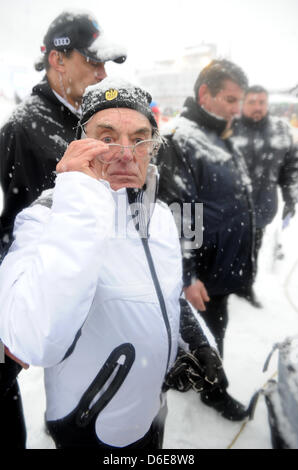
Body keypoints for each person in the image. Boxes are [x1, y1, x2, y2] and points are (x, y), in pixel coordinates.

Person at [0, 78, 227, 449]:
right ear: (78, 143)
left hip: (150, 414)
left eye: (140, 139)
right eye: (107, 138)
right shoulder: (49, 218)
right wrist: (80, 198)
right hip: (88, 422)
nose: (126, 152)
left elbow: (167, 294)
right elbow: (31, 338)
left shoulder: (162, 217)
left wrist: (196, 342)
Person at [0, 10, 126, 449]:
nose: (102, 73)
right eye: (93, 62)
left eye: (105, 64)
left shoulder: (88, 119)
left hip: (96, 303)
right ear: (58, 60)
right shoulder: (23, 129)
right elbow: (13, 230)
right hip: (48, 316)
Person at [156, 59, 254, 421]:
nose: (236, 109)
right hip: (204, 269)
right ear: (204, 94)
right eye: (230, 100)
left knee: (210, 328)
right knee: (209, 333)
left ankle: (189, 375)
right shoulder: (181, 138)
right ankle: (213, 389)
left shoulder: (216, 134)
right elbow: (183, 212)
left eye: (238, 101)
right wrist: (188, 276)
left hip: (222, 261)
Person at [232, 85, 298, 297]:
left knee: (253, 250)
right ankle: (221, 289)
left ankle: (245, 286)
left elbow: (290, 169)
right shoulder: (228, 128)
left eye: (261, 102)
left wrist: (290, 199)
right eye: (252, 102)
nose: (257, 107)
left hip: (262, 207)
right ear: (243, 103)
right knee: (226, 250)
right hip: (229, 209)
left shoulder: (280, 130)